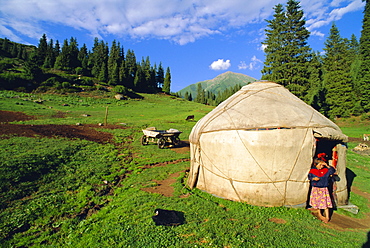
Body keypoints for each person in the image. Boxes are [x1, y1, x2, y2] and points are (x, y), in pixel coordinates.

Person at [308, 158, 336, 223]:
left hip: (323, 189)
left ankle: (327, 217)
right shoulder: (312, 171)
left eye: (322, 165)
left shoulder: (326, 170)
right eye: (320, 165)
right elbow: (309, 177)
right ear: (316, 165)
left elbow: (333, 171)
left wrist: (327, 165)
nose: (321, 166)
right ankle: (319, 214)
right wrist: (313, 178)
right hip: (315, 188)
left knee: (325, 203)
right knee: (317, 202)